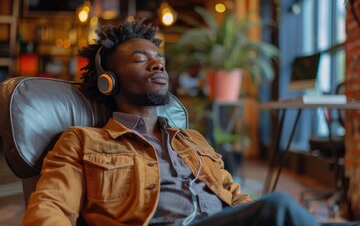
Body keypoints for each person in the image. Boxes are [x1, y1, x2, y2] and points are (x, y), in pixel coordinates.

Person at [22, 17, 358, 226]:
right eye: (141, 60)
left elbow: (234, 195)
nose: (158, 66)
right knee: (281, 206)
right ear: (108, 80)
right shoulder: (82, 141)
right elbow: (50, 209)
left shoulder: (192, 139)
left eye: (160, 60)